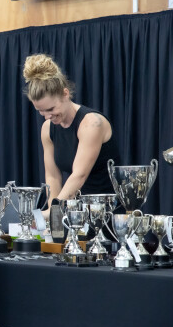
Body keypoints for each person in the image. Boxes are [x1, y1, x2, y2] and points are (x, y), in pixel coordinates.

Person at [23, 54, 121, 215]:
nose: (47, 116)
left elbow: (79, 175)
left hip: (108, 213)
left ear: (65, 94)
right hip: (76, 214)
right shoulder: (47, 129)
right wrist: (52, 216)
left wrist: (53, 211)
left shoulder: (91, 123)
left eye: (51, 109)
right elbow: (53, 177)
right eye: (40, 111)